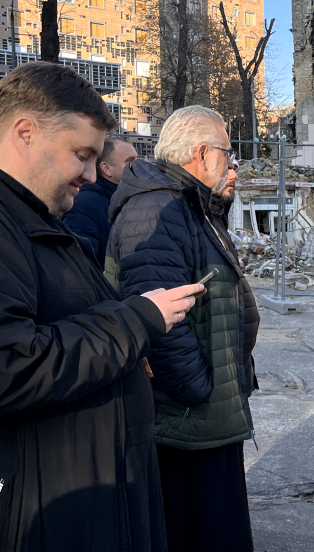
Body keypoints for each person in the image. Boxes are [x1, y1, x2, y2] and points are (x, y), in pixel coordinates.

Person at [0, 62, 203, 551]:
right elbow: (11, 365)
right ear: (25, 132)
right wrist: (137, 321)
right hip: (53, 512)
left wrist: (130, 349)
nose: (92, 176)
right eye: (82, 155)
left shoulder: (37, 219)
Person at [105, 106, 260, 552]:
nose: (233, 164)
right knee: (199, 530)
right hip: (189, 418)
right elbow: (159, 319)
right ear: (201, 152)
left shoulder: (192, 205)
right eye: (228, 153)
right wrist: (200, 390)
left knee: (215, 526)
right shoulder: (159, 207)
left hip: (209, 412)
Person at [62, 136, 138, 265]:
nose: (138, 166)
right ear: (106, 168)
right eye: (130, 161)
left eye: (137, 159)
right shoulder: (84, 204)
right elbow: (80, 262)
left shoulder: (130, 199)